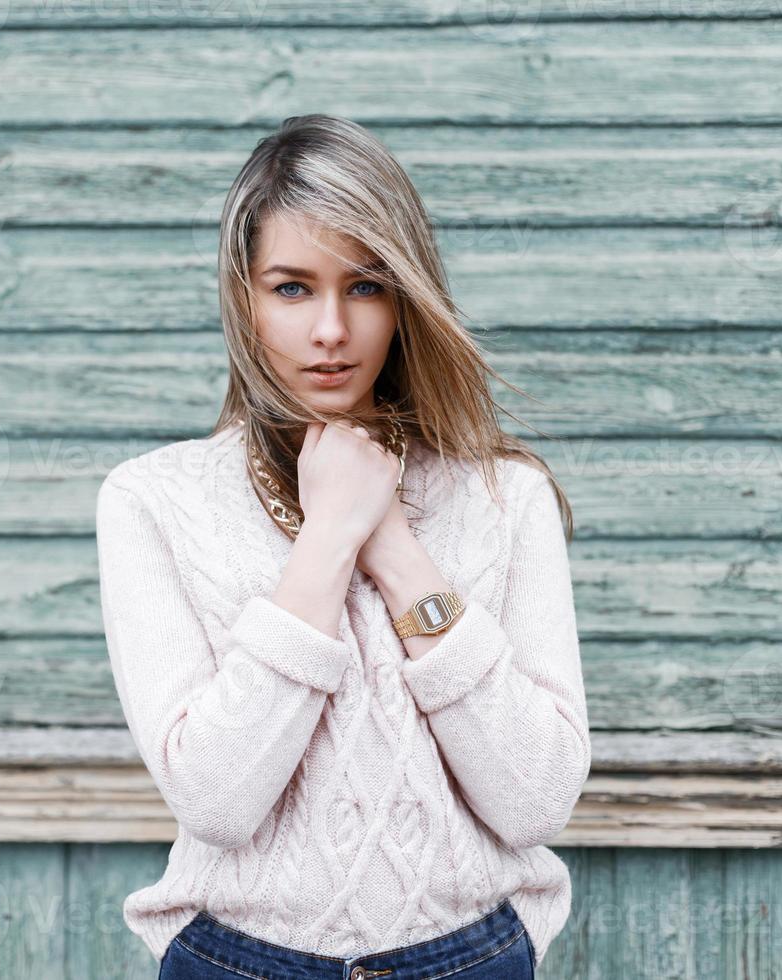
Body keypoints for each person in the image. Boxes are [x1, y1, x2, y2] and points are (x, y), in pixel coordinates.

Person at [95, 113, 589, 979]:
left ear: (406, 298)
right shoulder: (152, 501)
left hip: (469, 959)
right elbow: (215, 798)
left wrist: (392, 540)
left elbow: (535, 799)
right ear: (243, 298)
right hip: (236, 961)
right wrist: (328, 535)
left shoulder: (507, 496)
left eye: (364, 286)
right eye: (291, 288)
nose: (330, 330)